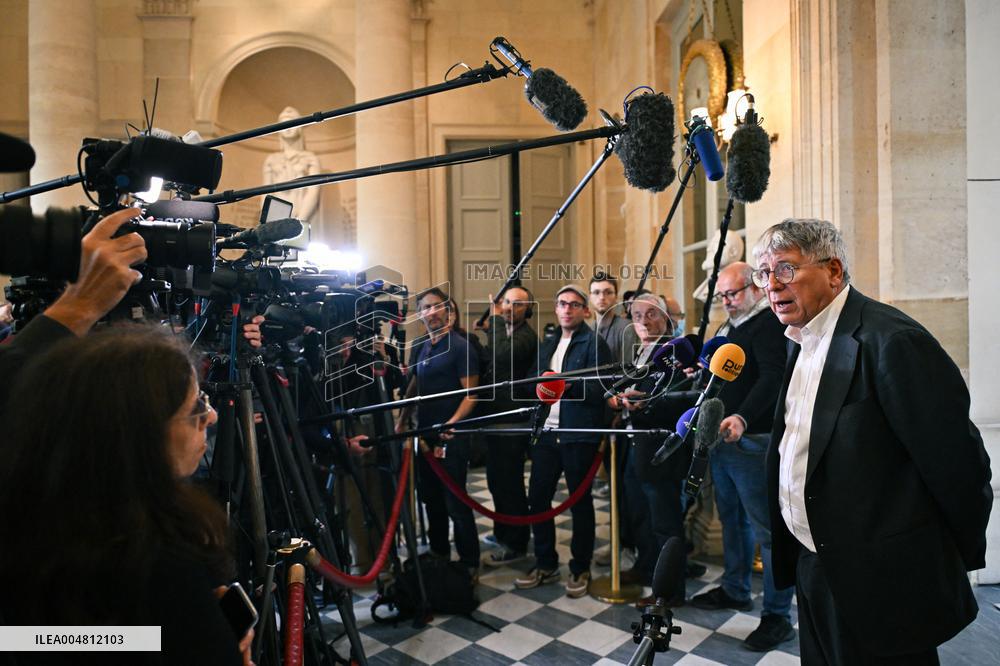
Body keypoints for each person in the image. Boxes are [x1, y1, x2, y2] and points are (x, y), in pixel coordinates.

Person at [753, 218, 992, 664]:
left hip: (883, 580)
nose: (770, 284)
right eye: (763, 273)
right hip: (816, 564)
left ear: (835, 271)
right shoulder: (799, 340)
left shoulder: (893, 340)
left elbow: (960, 466)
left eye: (784, 269)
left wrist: (939, 561)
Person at [0, 325, 252, 665]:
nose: (212, 416)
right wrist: (193, 632)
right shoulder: (158, 565)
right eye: (196, 407)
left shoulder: (36, 530)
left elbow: (33, 641)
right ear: (140, 437)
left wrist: (163, 633)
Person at [687, 262, 795, 652]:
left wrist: (742, 417)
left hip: (752, 440)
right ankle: (734, 588)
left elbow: (773, 377)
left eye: (732, 294)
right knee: (730, 519)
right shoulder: (729, 327)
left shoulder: (767, 324)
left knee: (767, 530)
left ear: (753, 288)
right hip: (719, 440)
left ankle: (778, 616)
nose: (727, 302)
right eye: (722, 296)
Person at [514, 285, 611, 598]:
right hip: (547, 432)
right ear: (555, 309)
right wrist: (539, 385)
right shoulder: (549, 341)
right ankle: (546, 562)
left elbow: (603, 390)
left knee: (579, 502)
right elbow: (533, 379)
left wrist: (567, 387)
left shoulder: (593, 343)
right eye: (562, 304)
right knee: (538, 499)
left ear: (584, 311)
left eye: (574, 305)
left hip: (578, 433)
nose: (567, 309)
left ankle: (580, 566)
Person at [395, 288, 481, 577]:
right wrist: (403, 419)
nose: (430, 312)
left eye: (435, 306)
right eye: (425, 308)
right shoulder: (423, 347)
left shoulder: (460, 346)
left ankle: (469, 561)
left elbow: (471, 394)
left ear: (448, 310)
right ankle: (439, 551)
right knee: (430, 497)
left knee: (456, 501)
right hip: (424, 435)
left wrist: (452, 422)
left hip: (451, 435)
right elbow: (415, 385)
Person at [616, 293, 691, 605]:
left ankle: (669, 593)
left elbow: (683, 398)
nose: (644, 322)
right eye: (637, 315)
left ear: (666, 319)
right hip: (637, 446)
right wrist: (620, 398)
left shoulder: (678, 352)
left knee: (665, 522)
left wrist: (642, 403)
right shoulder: (641, 351)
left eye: (651, 315)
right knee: (640, 514)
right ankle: (646, 568)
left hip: (662, 450)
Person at [478, 286, 539, 566]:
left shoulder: (527, 336)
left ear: (528, 309)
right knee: (496, 481)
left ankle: (516, 542)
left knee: (510, 483)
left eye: (517, 304)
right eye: (505, 302)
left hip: (513, 418)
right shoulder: (503, 330)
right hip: (494, 416)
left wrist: (494, 322)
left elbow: (502, 356)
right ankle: (503, 531)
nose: (509, 308)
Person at [589, 272, 632, 366]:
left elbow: (627, 367)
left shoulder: (627, 328)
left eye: (608, 292)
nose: (602, 297)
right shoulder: (588, 329)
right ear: (590, 297)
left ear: (616, 296)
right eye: (596, 292)